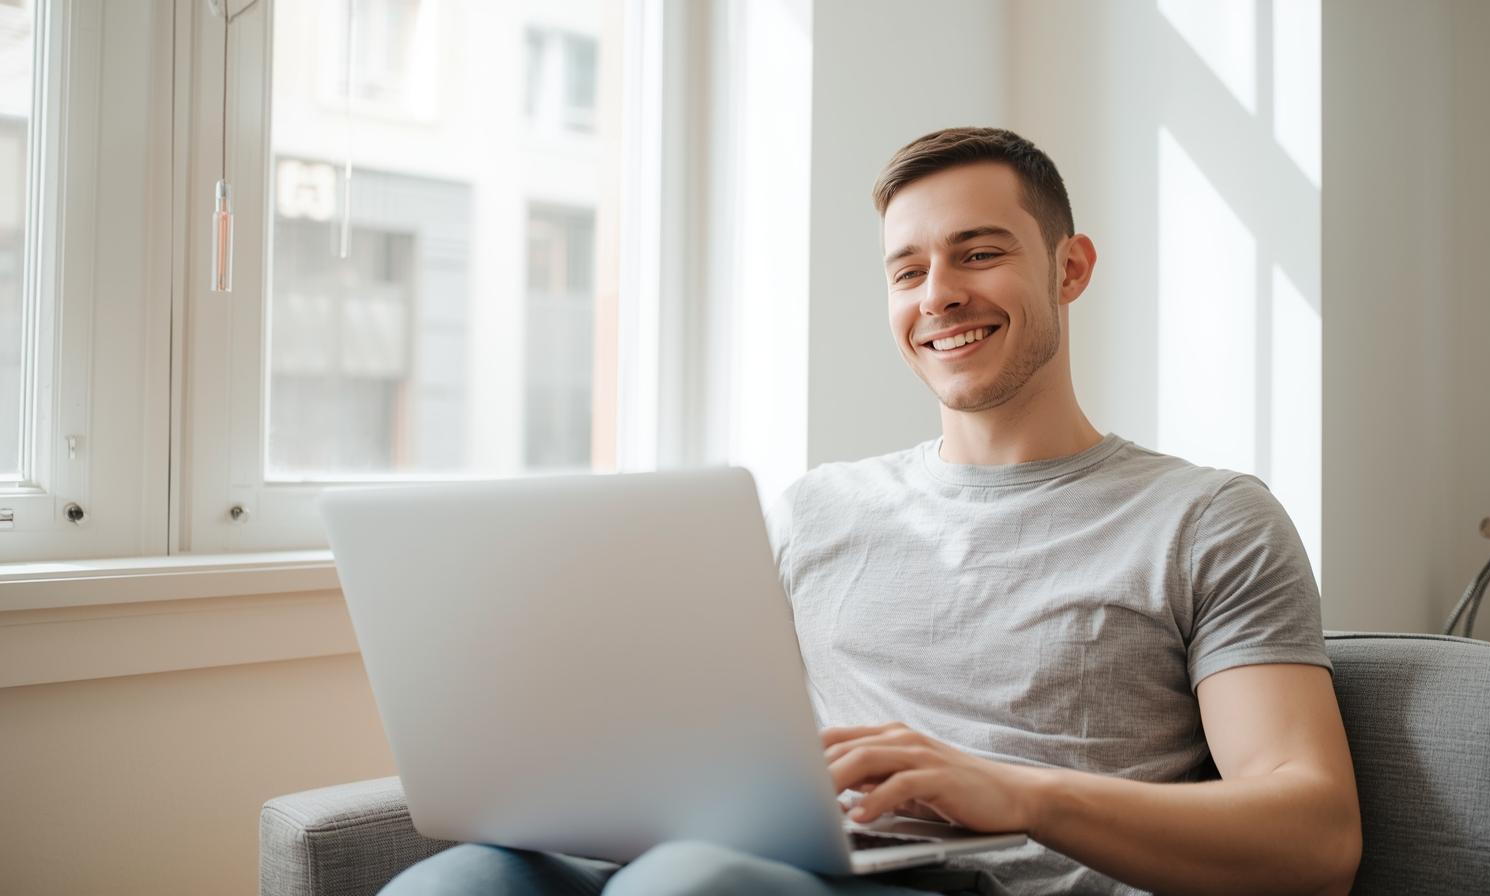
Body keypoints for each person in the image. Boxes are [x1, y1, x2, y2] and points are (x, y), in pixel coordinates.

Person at [382, 127, 1362, 896]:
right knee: (463, 875)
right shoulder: (815, 508)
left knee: (687, 884)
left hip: (987, 881)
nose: (939, 295)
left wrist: (1014, 793)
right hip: (796, 863)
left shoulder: (1207, 517)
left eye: (978, 254)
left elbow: (1314, 836)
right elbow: (711, 746)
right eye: (908, 269)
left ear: (1069, 268)